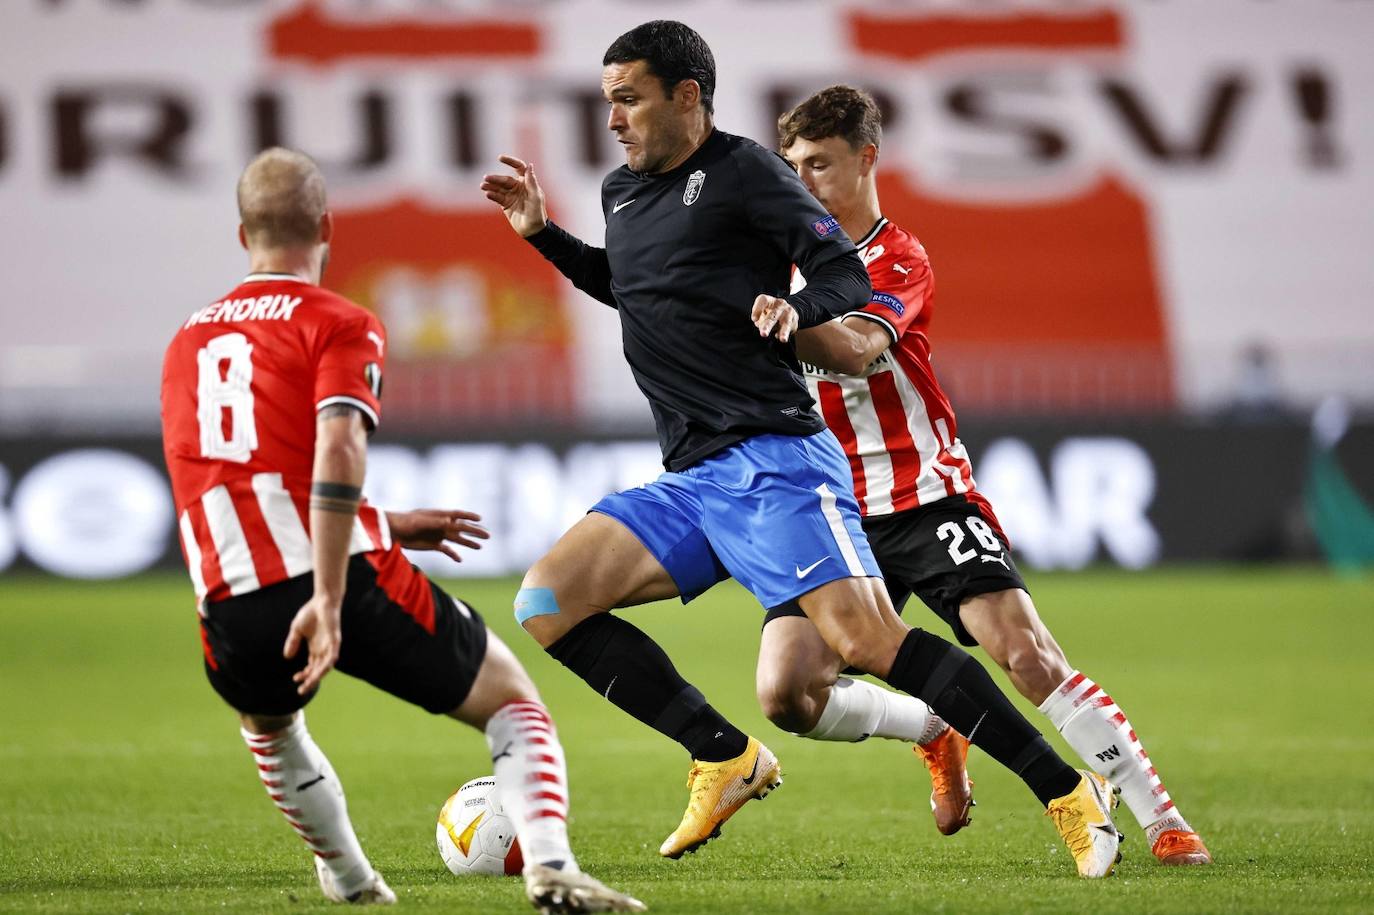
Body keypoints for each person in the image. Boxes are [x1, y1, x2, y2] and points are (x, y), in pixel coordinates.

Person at [483, 20, 1124, 878]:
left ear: (687, 97)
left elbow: (842, 275)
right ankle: (723, 754)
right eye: (609, 102)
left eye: (629, 99)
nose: (614, 120)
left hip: (776, 459)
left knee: (868, 641)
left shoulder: (747, 172)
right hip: (693, 477)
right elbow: (631, 285)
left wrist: (799, 313)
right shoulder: (620, 192)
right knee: (547, 601)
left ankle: (1066, 790)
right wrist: (542, 235)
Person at [160, 147, 645, 912]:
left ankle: (354, 883)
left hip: (228, 595)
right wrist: (325, 590)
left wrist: (383, 519)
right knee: (515, 705)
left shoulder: (188, 341)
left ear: (241, 233)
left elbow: (239, 483)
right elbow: (340, 445)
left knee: (274, 732)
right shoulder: (338, 321)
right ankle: (550, 868)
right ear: (325, 225)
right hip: (339, 581)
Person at [764, 84, 1210, 866]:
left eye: (821, 165)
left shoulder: (896, 257)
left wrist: (780, 325)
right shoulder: (772, 263)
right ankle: (932, 724)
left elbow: (863, 348)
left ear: (868, 159)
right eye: (792, 166)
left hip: (924, 495)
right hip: (832, 509)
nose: (804, 183)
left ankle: (1160, 816)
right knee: (788, 695)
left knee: (1026, 652)